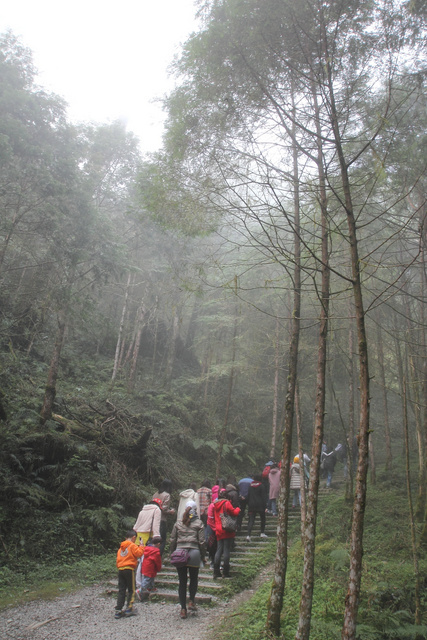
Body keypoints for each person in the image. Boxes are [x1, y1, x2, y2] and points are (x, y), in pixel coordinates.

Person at [169, 500, 206, 619]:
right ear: (195, 510)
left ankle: (183, 609)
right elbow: (202, 542)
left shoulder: (178, 523)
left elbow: (172, 539)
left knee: (182, 582)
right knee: (194, 579)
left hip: (180, 553)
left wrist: (172, 552)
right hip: (194, 553)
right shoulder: (199, 523)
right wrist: (203, 556)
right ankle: (191, 601)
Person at [114, 529, 145, 619]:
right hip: (129, 569)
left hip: (121, 569)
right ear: (133, 538)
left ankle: (118, 610)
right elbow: (139, 553)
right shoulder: (132, 545)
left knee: (122, 589)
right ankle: (129, 608)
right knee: (131, 589)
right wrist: (142, 545)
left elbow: (118, 559)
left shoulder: (121, 547)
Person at [213, 489, 240, 578]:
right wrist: (238, 508)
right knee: (226, 550)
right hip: (226, 529)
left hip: (218, 529)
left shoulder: (215, 504)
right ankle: (225, 571)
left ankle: (216, 571)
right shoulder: (226, 503)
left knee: (219, 550)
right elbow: (234, 512)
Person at [152, 479, 175, 555]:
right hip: (161, 520)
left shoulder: (155, 494)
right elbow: (164, 509)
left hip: (153, 519)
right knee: (162, 540)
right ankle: (158, 558)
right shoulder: (167, 495)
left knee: (154, 539)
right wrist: (170, 511)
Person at [136, 536, 162, 601]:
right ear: (158, 544)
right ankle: (140, 590)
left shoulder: (147, 549)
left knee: (150, 577)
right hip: (151, 567)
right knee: (147, 579)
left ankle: (151, 587)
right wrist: (159, 568)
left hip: (145, 566)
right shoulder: (156, 552)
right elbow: (158, 561)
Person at [246, 474, 268, 541]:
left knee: (251, 520)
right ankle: (262, 532)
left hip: (251, 505)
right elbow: (264, 497)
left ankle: (248, 535)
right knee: (263, 518)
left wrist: (248, 504)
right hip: (260, 505)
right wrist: (265, 506)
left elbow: (248, 495)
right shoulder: (261, 486)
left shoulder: (250, 486)